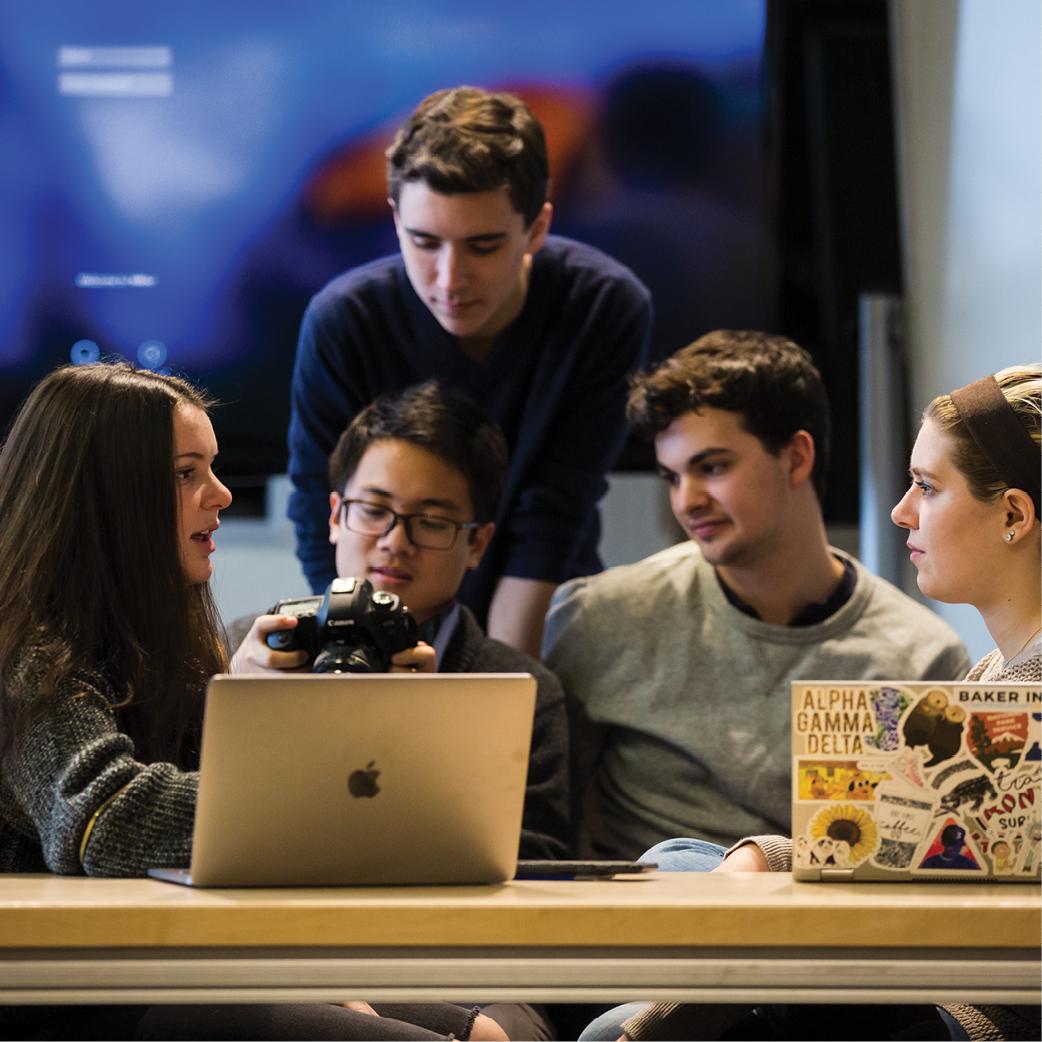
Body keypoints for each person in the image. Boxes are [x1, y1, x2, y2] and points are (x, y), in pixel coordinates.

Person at [0, 363, 510, 1041]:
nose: (221, 494)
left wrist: (354, 718)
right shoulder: (31, 653)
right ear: (108, 493)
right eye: (188, 473)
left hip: (174, 961)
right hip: (75, 992)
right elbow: (104, 824)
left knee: (487, 1033)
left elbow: (214, 818)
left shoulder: (163, 642)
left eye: (211, 468)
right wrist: (310, 778)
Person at [585, 362, 1041, 1042]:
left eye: (926, 487)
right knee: (683, 856)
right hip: (917, 970)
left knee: (621, 1015)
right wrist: (767, 858)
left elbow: (902, 891)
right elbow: (906, 854)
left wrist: (659, 1022)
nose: (900, 511)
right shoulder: (995, 671)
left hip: (959, 1009)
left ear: (1012, 514)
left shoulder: (1018, 707)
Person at [542, 330, 969, 864]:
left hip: (827, 934)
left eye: (713, 467)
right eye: (672, 477)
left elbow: (920, 857)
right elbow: (546, 831)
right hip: (641, 929)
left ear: (795, 458)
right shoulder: (601, 617)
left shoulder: (922, 657)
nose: (687, 501)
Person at [234, 381, 569, 1042]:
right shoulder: (251, 650)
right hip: (277, 945)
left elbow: (544, 875)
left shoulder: (519, 688)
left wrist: (428, 733)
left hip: (460, 962)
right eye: (373, 511)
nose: (395, 541)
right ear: (334, 516)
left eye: (433, 521)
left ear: (478, 543)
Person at [287, 85, 652, 657]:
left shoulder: (603, 304)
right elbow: (321, 511)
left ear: (536, 228)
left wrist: (499, 691)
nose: (450, 279)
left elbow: (551, 518)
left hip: (547, 619)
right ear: (395, 220)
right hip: (376, 617)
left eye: (483, 246)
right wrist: (366, 657)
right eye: (424, 242)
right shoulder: (344, 318)